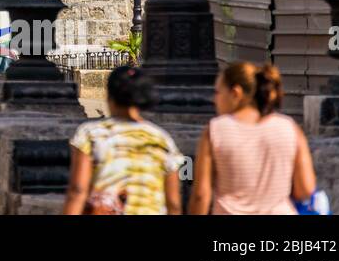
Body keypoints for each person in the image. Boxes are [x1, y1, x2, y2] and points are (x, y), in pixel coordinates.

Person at [189, 62, 316, 215]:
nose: (214, 100)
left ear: (235, 93)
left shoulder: (216, 130)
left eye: (217, 92)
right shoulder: (289, 127)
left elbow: (201, 195)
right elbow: (306, 188)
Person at [63, 65, 183, 215]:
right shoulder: (162, 139)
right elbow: (173, 203)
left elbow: (78, 190)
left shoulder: (92, 134)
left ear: (109, 97)